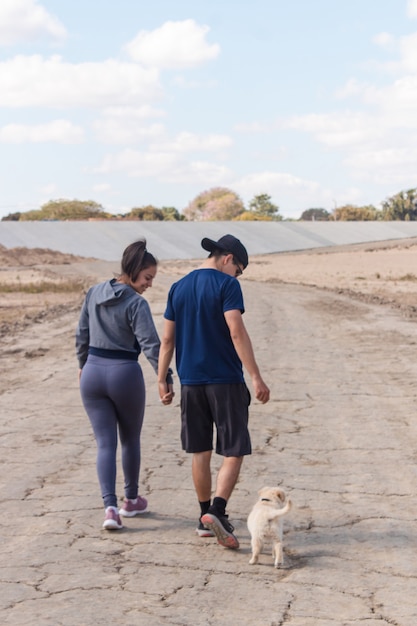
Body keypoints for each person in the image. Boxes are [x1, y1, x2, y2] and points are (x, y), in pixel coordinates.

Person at [157, 234, 270, 549]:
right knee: (234, 448)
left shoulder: (177, 287)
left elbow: (167, 340)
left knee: (200, 451)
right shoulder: (227, 285)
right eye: (240, 269)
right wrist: (256, 376)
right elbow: (236, 330)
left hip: (191, 383)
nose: (238, 276)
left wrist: (161, 378)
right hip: (225, 381)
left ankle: (204, 517)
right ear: (228, 259)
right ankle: (218, 510)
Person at [76, 239, 174, 530]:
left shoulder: (94, 293)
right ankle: (130, 501)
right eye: (147, 278)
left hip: (92, 373)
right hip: (124, 374)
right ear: (132, 271)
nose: (150, 284)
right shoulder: (135, 303)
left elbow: (81, 334)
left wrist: (83, 366)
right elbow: (151, 346)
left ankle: (109, 508)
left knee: (105, 444)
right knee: (129, 439)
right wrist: (165, 379)